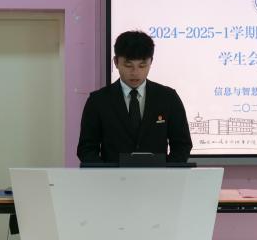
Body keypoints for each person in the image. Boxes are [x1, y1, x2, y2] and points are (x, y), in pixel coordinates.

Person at [77, 30, 193, 163]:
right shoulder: (98, 101)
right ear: (116, 62)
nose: (135, 72)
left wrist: (166, 171)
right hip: (112, 176)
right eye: (128, 65)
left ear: (151, 62)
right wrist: (105, 172)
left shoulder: (168, 98)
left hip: (158, 175)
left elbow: (182, 145)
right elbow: (86, 149)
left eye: (142, 66)